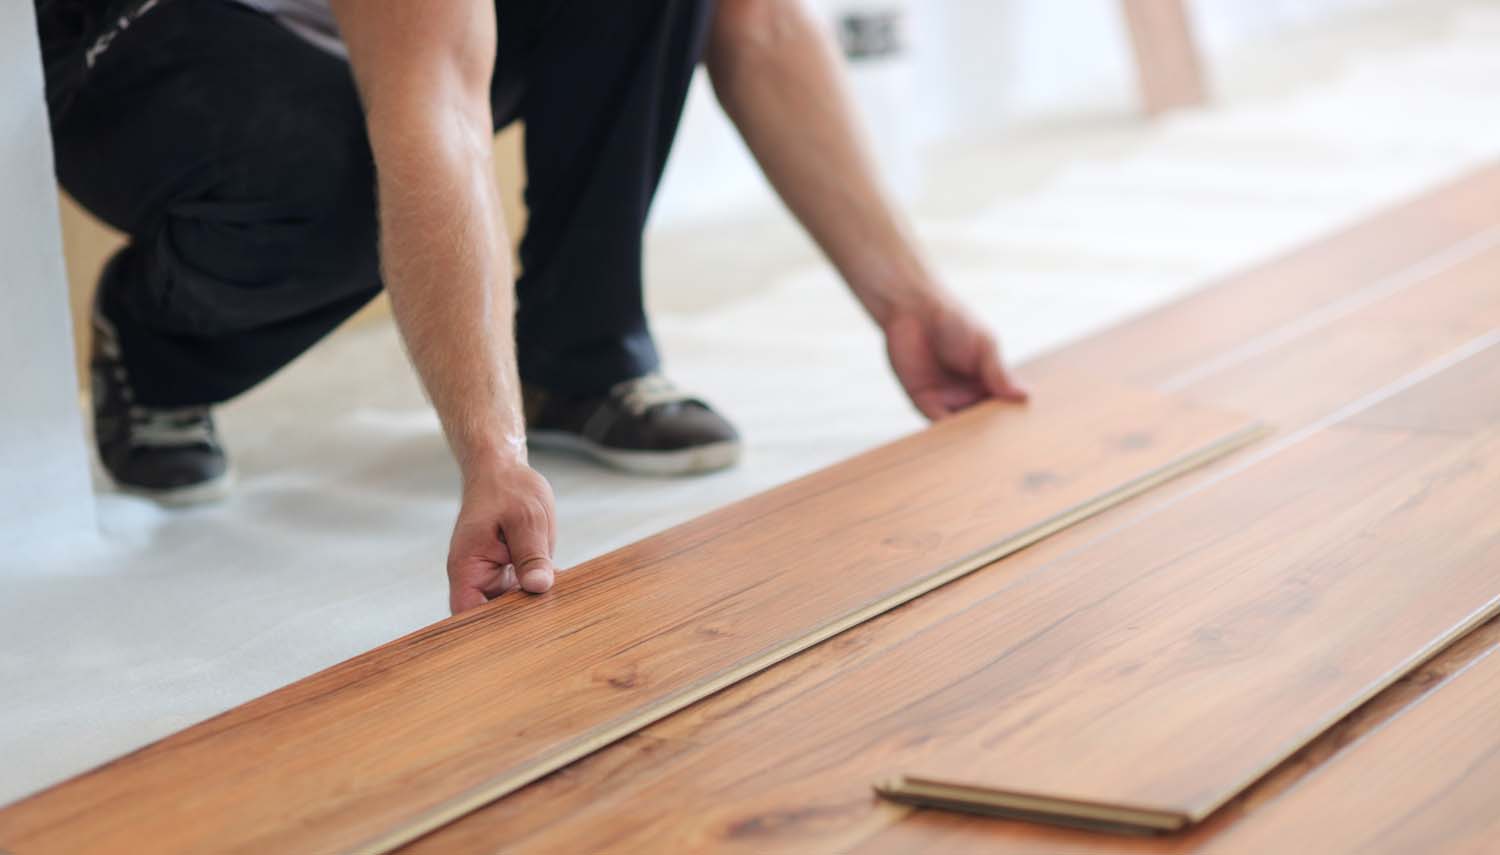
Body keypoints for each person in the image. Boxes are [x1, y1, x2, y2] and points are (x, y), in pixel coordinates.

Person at [36, 0, 1028, 613]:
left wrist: (909, 298)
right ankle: (154, 346)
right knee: (347, 175)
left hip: (358, 37)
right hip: (140, 45)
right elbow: (432, 108)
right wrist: (488, 454)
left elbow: (758, 19)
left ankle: (581, 356)